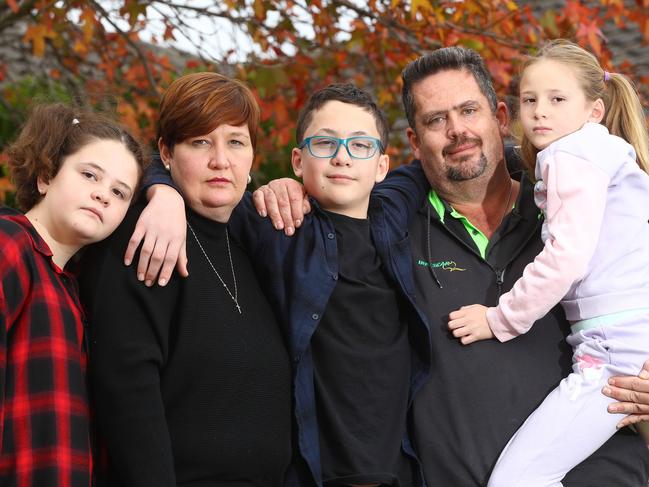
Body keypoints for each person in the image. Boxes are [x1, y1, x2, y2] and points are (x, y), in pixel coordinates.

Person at [253, 47, 649, 485]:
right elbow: (333, 194)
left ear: (500, 116)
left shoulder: (574, 205)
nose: (457, 130)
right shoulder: (389, 232)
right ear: (415, 143)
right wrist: (171, 190)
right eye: (436, 120)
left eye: (468, 110)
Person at [136, 84, 431, 486]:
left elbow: (443, 156)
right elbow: (184, 166)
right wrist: (163, 192)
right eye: (325, 143)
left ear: (382, 166)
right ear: (297, 160)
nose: (342, 156)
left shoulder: (393, 212)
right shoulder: (275, 224)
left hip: (399, 469)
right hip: (311, 471)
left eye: (360, 145)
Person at [441, 40, 649, 486]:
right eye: (529, 100)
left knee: (518, 479)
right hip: (630, 336)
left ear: (594, 110)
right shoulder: (606, 155)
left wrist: (501, 319)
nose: (539, 112)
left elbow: (565, 257)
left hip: (614, 349)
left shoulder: (570, 157)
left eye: (557, 100)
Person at [78, 72, 292, 486]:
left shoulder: (255, 243)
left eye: (235, 141)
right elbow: (127, 396)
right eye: (199, 142)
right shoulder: (147, 239)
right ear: (166, 153)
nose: (220, 160)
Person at [0, 103, 147, 486]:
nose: (102, 195)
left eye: (119, 192)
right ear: (47, 175)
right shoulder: (10, 244)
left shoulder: (73, 287)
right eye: (89, 175)